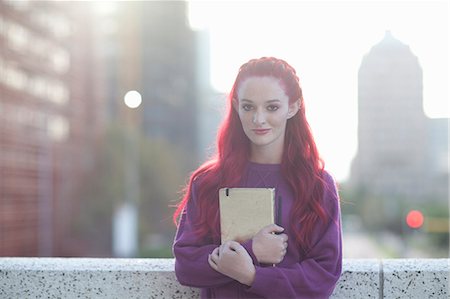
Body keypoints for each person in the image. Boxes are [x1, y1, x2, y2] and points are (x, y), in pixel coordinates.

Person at [173, 57, 342, 298]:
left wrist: (252, 275)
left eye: (272, 107)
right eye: (248, 107)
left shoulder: (318, 185)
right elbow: (186, 266)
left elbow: (322, 279)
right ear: (235, 106)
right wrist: (252, 251)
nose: (258, 119)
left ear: (293, 107)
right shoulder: (208, 182)